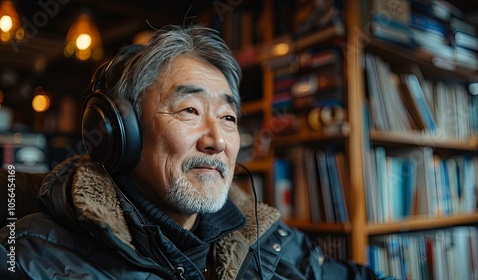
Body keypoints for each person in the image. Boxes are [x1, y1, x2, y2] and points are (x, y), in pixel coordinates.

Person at [0, 25, 382, 279]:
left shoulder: (264, 237)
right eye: (190, 111)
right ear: (120, 133)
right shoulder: (29, 258)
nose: (217, 139)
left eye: (229, 117)